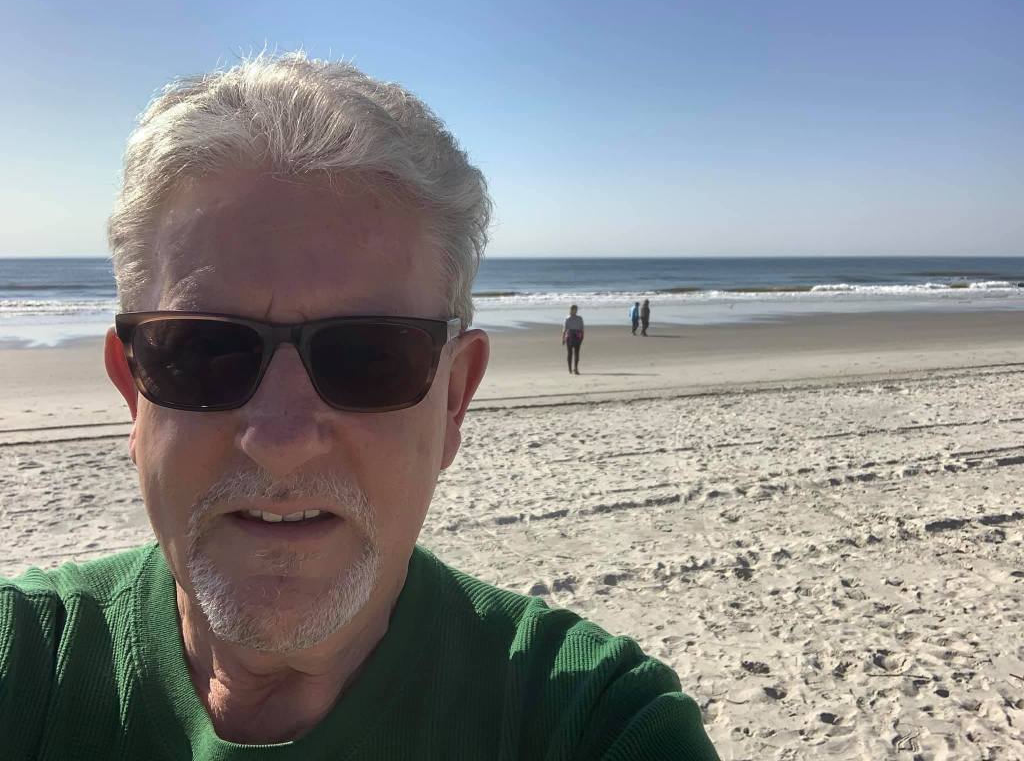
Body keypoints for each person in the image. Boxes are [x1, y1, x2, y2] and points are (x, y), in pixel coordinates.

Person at [0, 54, 719, 760]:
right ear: (133, 391)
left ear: (453, 400)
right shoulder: (24, 660)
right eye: (204, 352)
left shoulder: (592, 719)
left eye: (368, 357)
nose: (280, 439)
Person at [562, 304, 584, 375]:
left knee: (575, 353)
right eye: (574, 310)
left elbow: (582, 329)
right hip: (571, 336)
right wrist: (563, 338)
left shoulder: (579, 318)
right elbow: (564, 329)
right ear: (571, 310)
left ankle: (575, 368)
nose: (575, 311)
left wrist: (582, 337)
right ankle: (570, 368)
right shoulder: (568, 318)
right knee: (570, 353)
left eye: (575, 310)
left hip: (576, 336)